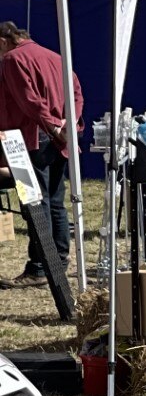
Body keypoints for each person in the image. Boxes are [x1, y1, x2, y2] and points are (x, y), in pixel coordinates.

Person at [0, 24, 83, 283]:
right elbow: (77, 95)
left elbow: (29, 100)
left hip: (30, 139)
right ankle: (57, 261)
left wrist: (52, 126)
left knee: (35, 201)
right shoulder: (56, 57)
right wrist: (66, 126)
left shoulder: (12, 59)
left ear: (3, 41)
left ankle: (40, 267)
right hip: (54, 136)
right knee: (54, 201)